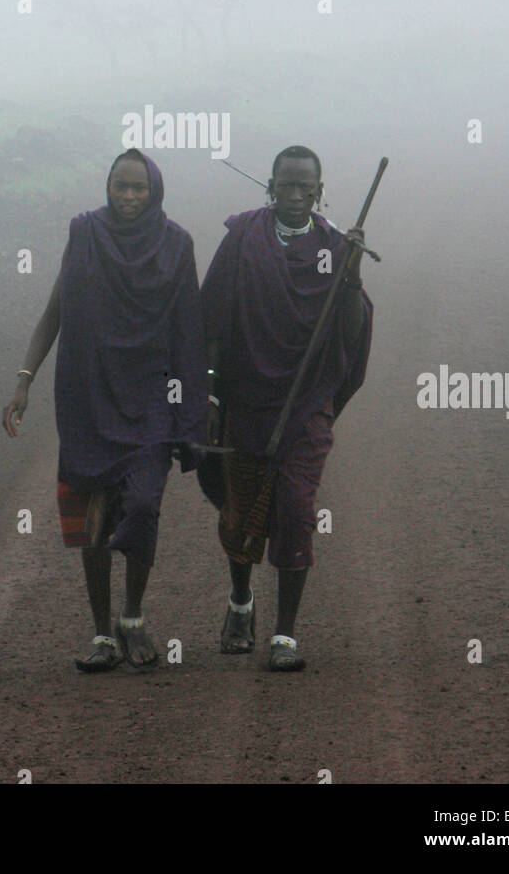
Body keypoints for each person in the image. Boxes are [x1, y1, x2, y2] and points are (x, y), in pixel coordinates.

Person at [2, 149, 205, 672]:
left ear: (154, 190)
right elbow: (55, 313)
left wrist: (192, 416)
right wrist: (24, 381)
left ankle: (132, 616)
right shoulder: (85, 234)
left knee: (141, 506)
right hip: (88, 397)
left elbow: (189, 335)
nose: (130, 197)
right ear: (108, 187)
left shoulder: (177, 245)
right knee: (93, 520)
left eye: (139, 188)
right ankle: (101, 635)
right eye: (121, 187)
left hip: (152, 399)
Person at [200, 145, 373, 672]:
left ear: (320, 191)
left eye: (306, 187)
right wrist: (208, 393)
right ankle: (240, 601)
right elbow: (210, 319)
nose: (296, 195)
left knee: (297, 510)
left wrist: (352, 275)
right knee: (242, 508)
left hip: (305, 404)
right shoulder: (242, 239)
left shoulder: (334, 248)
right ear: (269, 186)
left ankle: (284, 634)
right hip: (246, 400)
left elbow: (349, 333)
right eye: (286, 185)